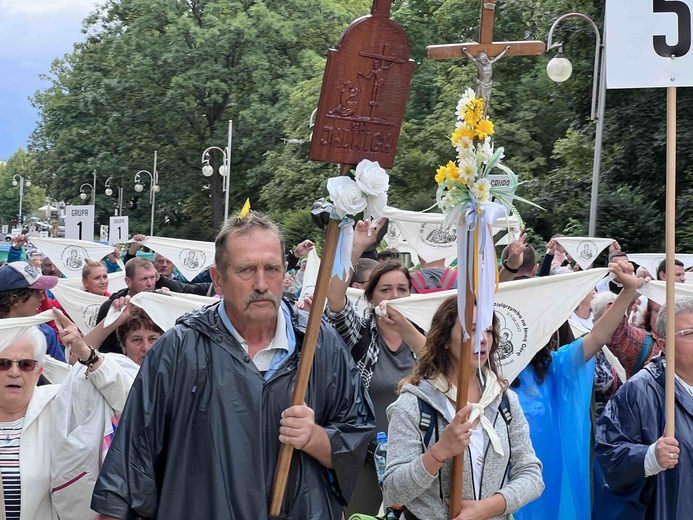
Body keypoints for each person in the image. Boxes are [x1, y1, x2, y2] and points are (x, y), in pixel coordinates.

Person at [91, 211, 375, 519]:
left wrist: (315, 437)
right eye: (246, 270)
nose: (262, 284)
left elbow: (357, 439)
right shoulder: (180, 349)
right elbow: (130, 467)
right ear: (218, 278)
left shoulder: (318, 344)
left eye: (272, 269)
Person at [383, 296, 544, 519]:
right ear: (445, 339)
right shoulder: (413, 404)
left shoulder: (504, 400)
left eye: (488, 331)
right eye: (473, 330)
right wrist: (439, 452)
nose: (484, 339)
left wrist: (490, 507)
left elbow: (531, 474)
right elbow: (395, 489)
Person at [512, 260, 645, 520]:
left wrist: (627, 292)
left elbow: (597, 336)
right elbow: (434, 351)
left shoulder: (557, 367)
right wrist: (404, 321)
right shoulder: (486, 374)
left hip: (551, 486)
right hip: (502, 488)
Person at [325, 219, 426, 517]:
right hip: (365, 456)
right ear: (370, 298)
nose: (394, 297)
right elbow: (333, 298)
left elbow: (439, 366)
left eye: (402, 289)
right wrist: (357, 247)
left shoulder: (424, 336)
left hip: (418, 459)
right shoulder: (361, 335)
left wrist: (406, 327)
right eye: (385, 290)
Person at [0, 311, 136, 519]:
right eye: (3, 363)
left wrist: (87, 354)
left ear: (39, 371)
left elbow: (131, 404)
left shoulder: (61, 405)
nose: (14, 372)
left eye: (25, 364)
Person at [594, 297, 693, 518]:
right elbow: (608, 457)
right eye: (690, 334)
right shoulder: (638, 392)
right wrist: (649, 457)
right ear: (664, 344)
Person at [0, 262, 65, 362]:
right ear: (15, 300)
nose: (42, 298)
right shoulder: (46, 334)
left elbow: (60, 375)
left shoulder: (47, 334)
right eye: (37, 293)